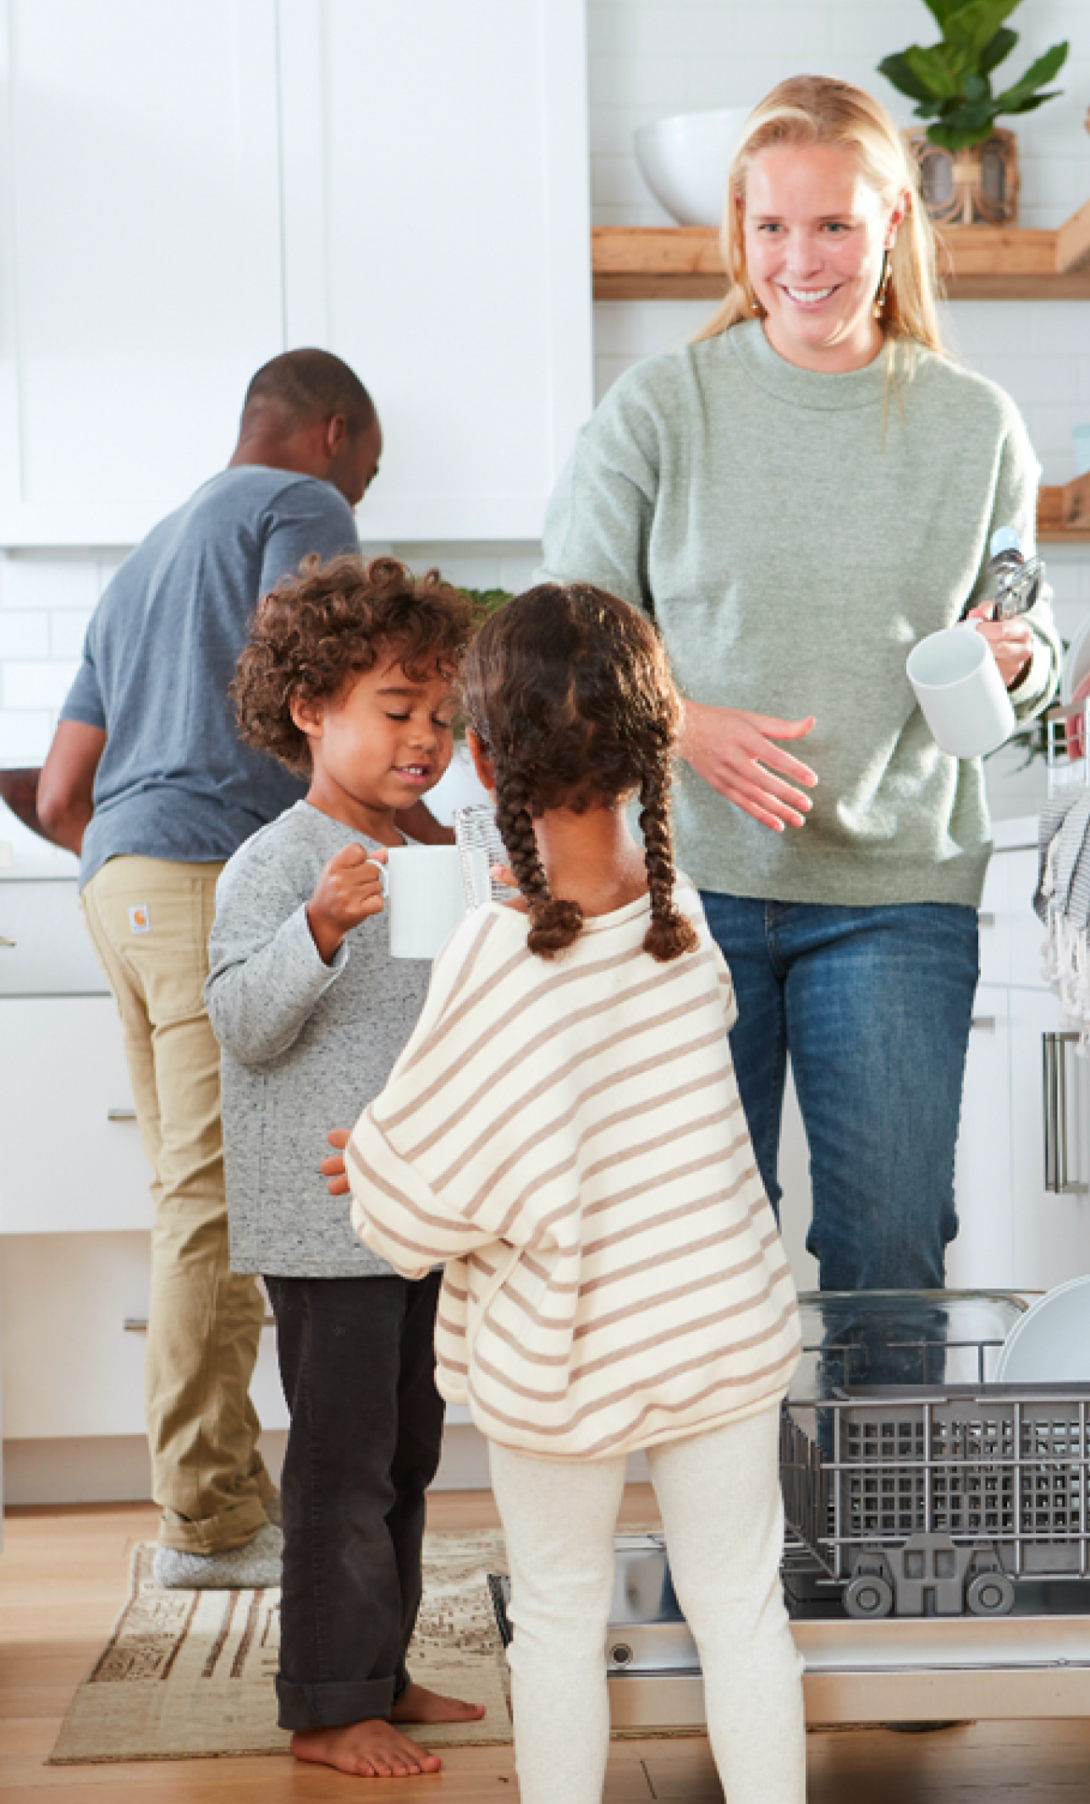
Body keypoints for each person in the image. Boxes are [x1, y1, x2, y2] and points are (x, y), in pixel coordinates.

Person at [538, 75, 1061, 1295]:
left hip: (891, 896)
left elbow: (1032, 636)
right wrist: (680, 720)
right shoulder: (662, 408)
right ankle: (743, 1501)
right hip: (683, 893)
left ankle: (866, 1498)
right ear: (739, 232)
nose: (801, 258)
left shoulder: (973, 425)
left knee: (884, 1249)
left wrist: (1024, 660)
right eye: (771, 227)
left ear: (892, 225)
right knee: (703, 1257)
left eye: (833, 224)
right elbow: (563, 636)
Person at [338, 583, 806, 1804]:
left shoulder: (492, 960)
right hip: (716, 1327)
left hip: (564, 1354)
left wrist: (374, 1161)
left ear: (483, 757)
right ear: (657, 752)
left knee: (552, 1621)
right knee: (743, 1608)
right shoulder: (683, 922)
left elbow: (414, 1202)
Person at [34, 349, 445, 1588]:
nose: (360, 495)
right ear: (333, 434)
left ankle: (209, 1502)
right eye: (370, 469)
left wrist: (147, 865)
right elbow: (306, 678)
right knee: (225, 1204)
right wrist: (402, 832)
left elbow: (61, 792)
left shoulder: (145, 555)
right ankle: (209, 1526)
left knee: (188, 1197)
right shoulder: (301, 505)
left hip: (117, 884)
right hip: (212, 875)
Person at [204, 555, 484, 1779]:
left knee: (407, 1449)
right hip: (326, 1223)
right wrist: (316, 927)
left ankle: (377, 1666)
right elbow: (241, 1023)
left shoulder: (434, 847)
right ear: (311, 706)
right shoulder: (277, 860)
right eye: (395, 709)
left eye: (442, 717)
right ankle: (326, 1703)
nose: (425, 738)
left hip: (411, 1206)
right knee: (340, 1458)